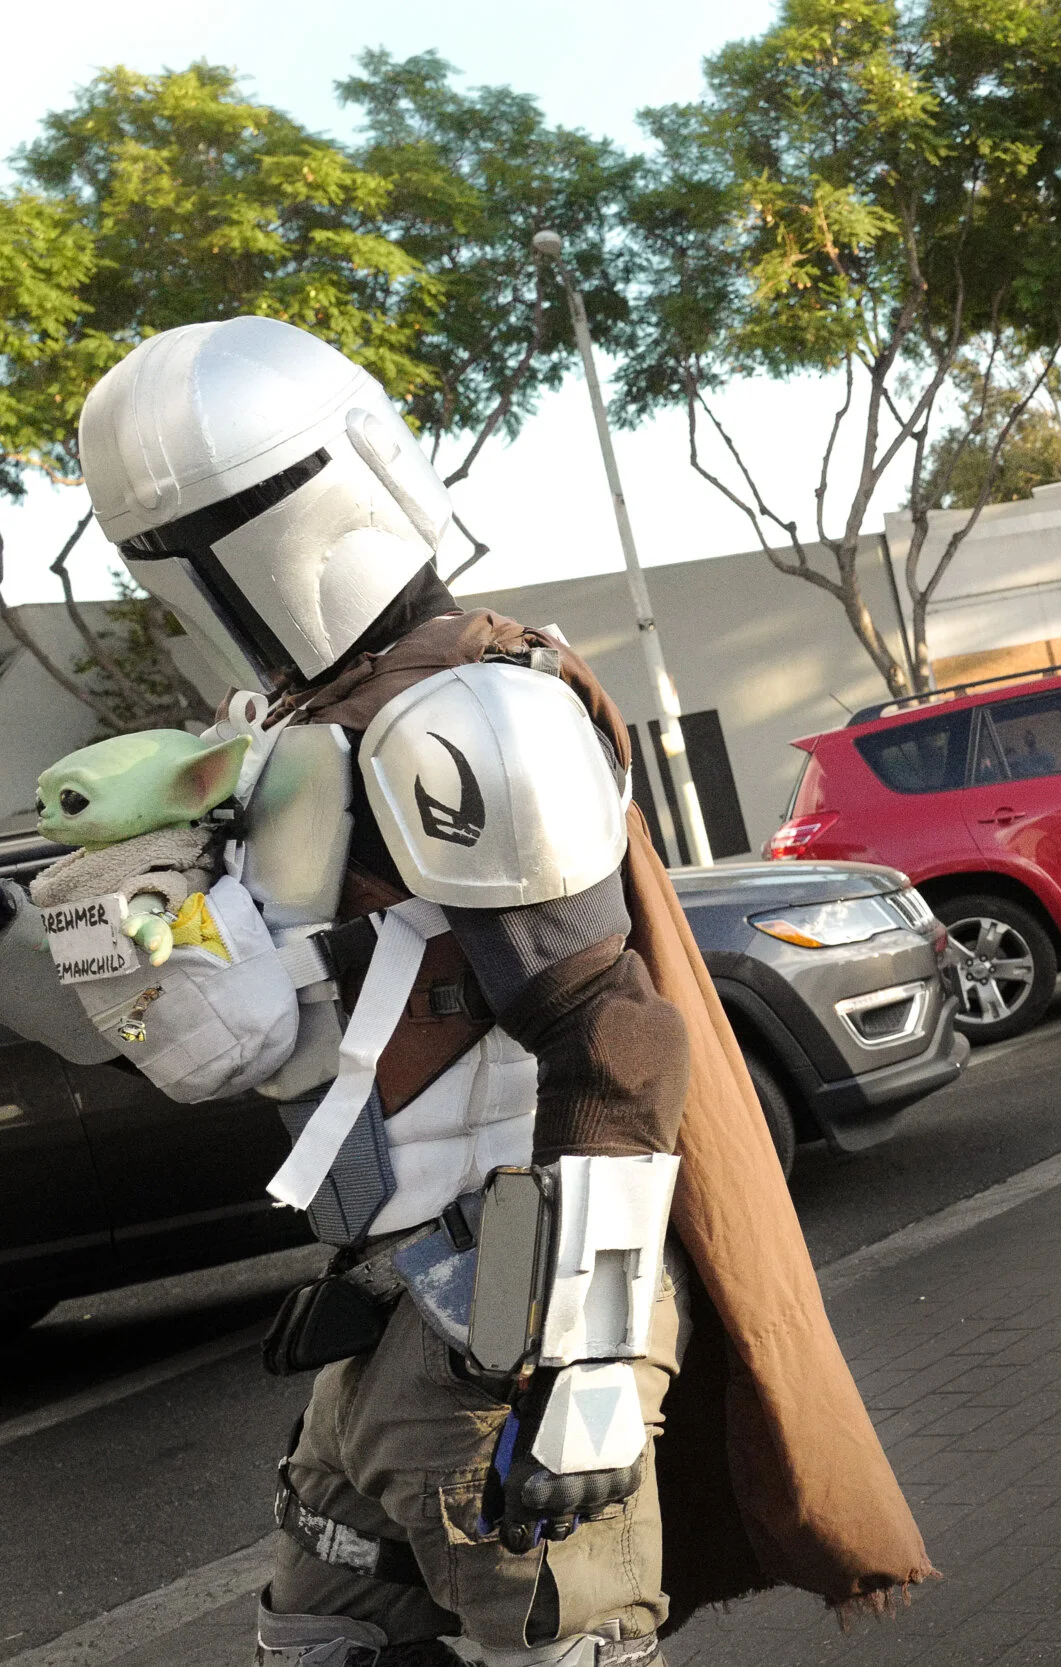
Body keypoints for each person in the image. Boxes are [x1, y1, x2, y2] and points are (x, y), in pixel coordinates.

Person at [0, 318, 930, 1666]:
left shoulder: (469, 714)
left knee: (561, 1648)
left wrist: (589, 1367)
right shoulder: (295, 734)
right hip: (397, 1301)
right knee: (320, 1638)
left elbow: (618, 1043)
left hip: (506, 1302)